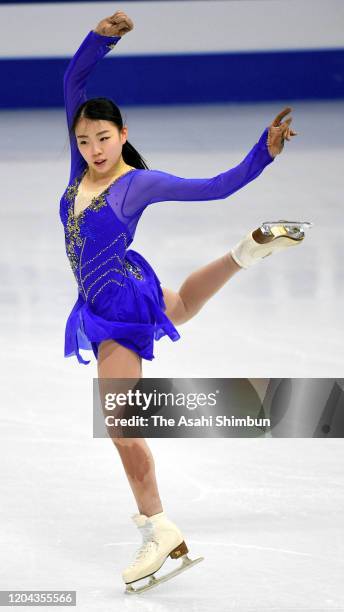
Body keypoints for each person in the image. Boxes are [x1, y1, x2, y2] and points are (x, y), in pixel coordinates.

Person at [60, 10, 307, 593]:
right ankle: (247, 252)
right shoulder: (83, 171)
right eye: (85, 139)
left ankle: (158, 527)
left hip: (117, 307)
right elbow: (72, 84)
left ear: (123, 136)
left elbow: (213, 186)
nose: (94, 148)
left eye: (104, 138)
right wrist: (101, 39)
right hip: (110, 294)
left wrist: (262, 153)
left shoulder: (135, 184)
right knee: (183, 309)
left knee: (121, 424)